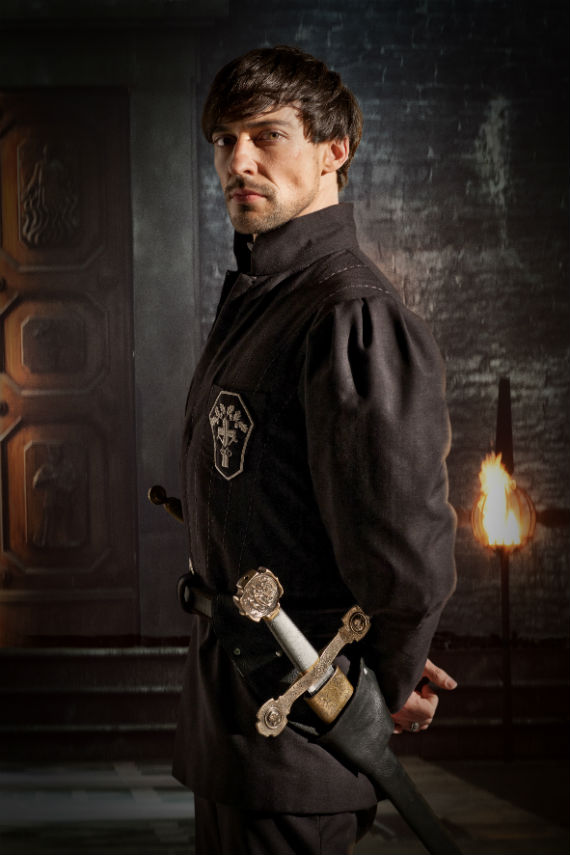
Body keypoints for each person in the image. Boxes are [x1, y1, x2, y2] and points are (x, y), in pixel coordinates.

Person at [173, 45, 457, 855]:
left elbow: (404, 552)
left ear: (335, 149)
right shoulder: (262, 300)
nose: (239, 160)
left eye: (267, 135)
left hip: (299, 732)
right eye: (225, 140)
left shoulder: (349, 315)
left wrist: (374, 689)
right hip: (233, 722)